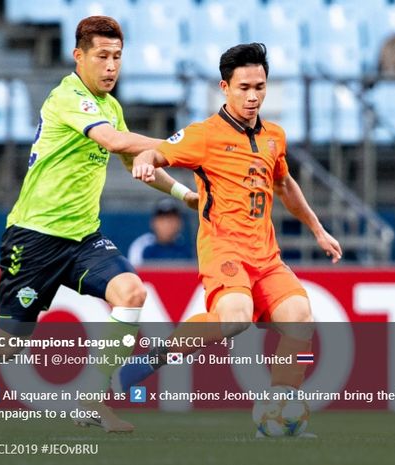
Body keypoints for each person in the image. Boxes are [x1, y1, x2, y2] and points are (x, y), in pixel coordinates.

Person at [0, 16, 197, 434]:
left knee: (132, 291)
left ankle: (94, 400)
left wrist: (184, 195)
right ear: (78, 56)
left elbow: (132, 159)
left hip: (84, 238)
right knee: (8, 344)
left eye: (117, 57)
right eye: (102, 56)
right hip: (34, 238)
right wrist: (188, 144)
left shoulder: (112, 106)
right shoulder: (67, 96)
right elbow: (117, 143)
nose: (110, 67)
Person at [119, 43, 342, 432]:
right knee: (235, 318)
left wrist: (318, 229)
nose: (253, 95)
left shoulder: (274, 136)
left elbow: (285, 184)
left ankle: (279, 407)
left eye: (260, 86)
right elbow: (156, 154)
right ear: (225, 87)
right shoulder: (203, 135)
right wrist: (143, 160)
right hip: (223, 247)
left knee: (300, 317)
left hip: (266, 256)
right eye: (243, 87)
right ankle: (158, 354)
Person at [127, 198, 194, 267]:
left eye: (171, 219)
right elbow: (133, 274)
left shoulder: (187, 249)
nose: (167, 224)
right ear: (153, 222)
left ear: (180, 223)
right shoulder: (142, 247)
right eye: (162, 219)